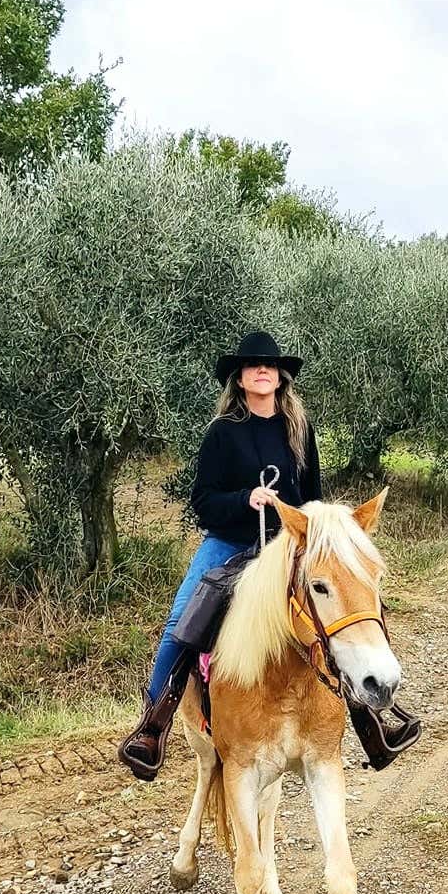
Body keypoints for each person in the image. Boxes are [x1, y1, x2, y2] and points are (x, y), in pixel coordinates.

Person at [119, 331, 321, 778]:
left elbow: (313, 499)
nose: (262, 371)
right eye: (252, 366)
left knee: (341, 609)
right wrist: (244, 500)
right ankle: (153, 727)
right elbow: (203, 501)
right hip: (228, 543)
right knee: (181, 623)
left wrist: (308, 536)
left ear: (281, 376)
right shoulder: (222, 433)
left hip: (285, 547)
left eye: (269, 365)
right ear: (240, 378)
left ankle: (372, 716)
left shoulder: (300, 431)